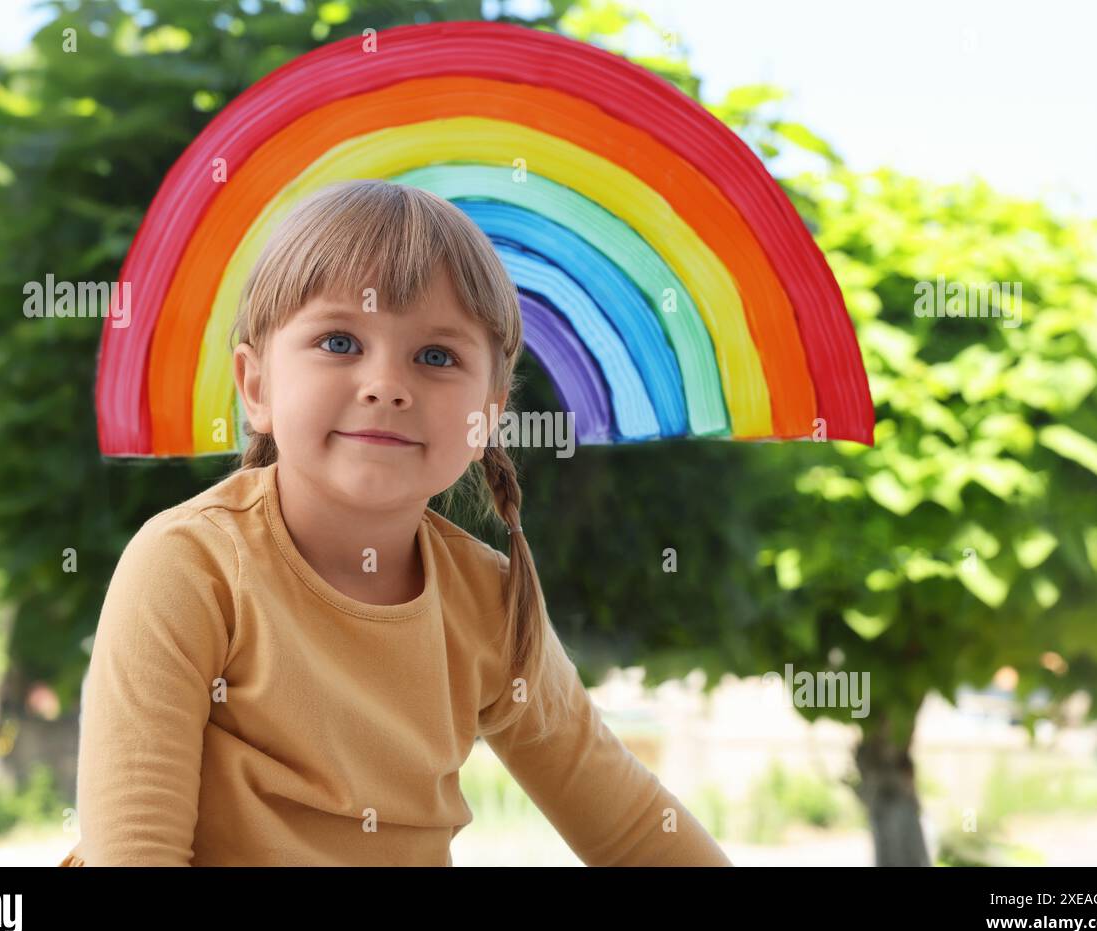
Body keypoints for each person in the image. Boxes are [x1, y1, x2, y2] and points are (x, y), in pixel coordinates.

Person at [58, 180, 731, 866]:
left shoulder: (490, 603)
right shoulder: (188, 566)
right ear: (257, 386)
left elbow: (635, 829)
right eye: (340, 340)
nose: (386, 383)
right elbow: (135, 855)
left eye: (436, 356)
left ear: (488, 413)